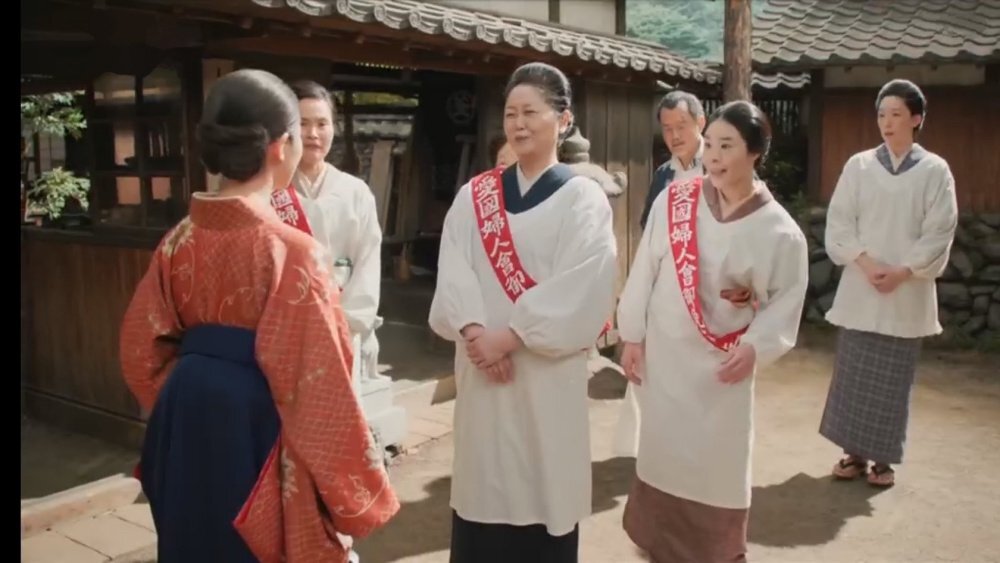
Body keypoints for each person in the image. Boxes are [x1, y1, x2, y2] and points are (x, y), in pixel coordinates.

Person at [119, 69, 399, 563]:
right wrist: (353, 491)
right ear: (280, 145)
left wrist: (195, 394)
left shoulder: (177, 241)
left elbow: (141, 352)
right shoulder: (292, 251)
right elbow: (320, 387)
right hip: (259, 428)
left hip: (184, 423)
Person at [428, 61, 618, 563]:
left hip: (544, 377)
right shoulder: (475, 196)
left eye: (531, 112)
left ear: (564, 119)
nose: (519, 123)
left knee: (543, 489)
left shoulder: (583, 199)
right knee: (483, 489)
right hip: (483, 375)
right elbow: (454, 269)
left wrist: (507, 338)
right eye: (511, 113)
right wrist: (476, 333)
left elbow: (585, 282)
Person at [616, 100, 809, 562]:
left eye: (727, 146)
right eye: (710, 145)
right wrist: (633, 335)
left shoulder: (778, 231)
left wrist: (756, 346)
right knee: (662, 451)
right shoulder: (674, 201)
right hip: (667, 354)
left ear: (755, 152)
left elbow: (785, 300)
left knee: (717, 461)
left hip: (724, 365)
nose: (714, 156)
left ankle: (717, 551)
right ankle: (658, 543)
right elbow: (644, 271)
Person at [819, 79, 958, 488]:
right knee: (854, 375)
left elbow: (940, 230)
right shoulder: (859, 166)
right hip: (862, 285)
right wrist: (865, 262)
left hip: (906, 289)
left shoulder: (935, 170)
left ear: (916, 119)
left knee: (892, 380)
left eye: (896, 114)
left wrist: (903, 270)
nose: (887, 122)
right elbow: (840, 221)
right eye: (882, 114)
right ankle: (853, 454)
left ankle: (883, 460)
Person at [285, 80, 388, 393]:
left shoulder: (355, 192)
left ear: (334, 128)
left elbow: (367, 261)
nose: (313, 134)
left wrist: (348, 323)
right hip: (286, 328)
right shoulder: (274, 189)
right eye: (302, 124)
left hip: (341, 329)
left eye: (322, 124)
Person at [638, 90, 707, 229]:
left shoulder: (721, 165)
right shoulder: (662, 174)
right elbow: (649, 224)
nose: (675, 136)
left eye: (681, 126)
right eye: (668, 129)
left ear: (700, 123)